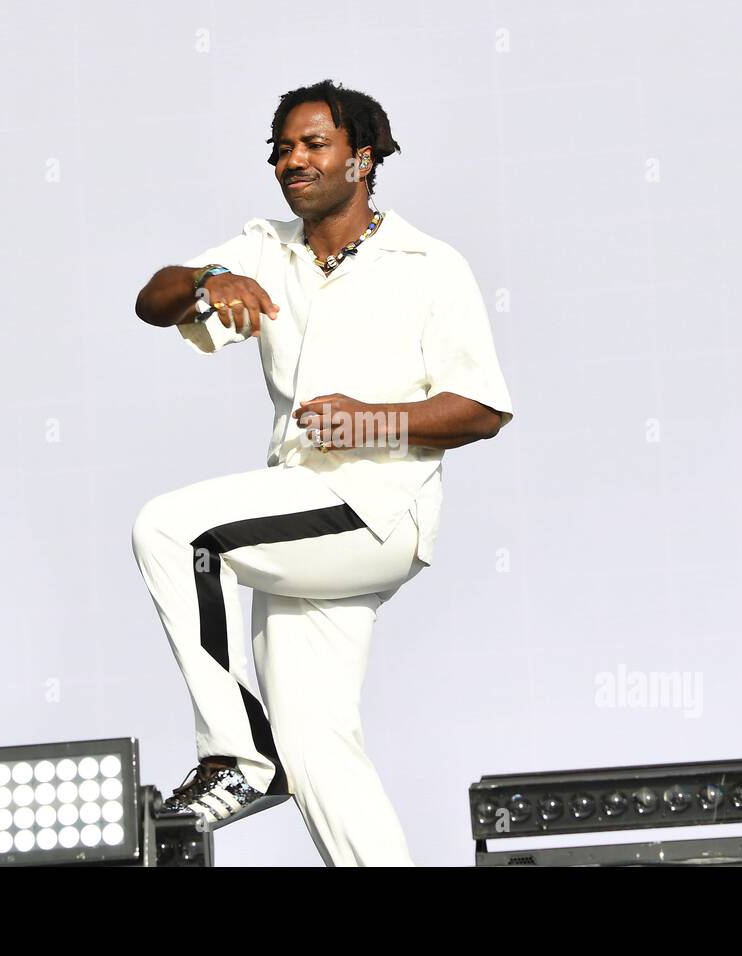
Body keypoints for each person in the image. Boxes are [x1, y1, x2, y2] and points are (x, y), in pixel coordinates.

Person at [132, 78, 514, 866]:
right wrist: (207, 282)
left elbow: (481, 411)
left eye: (313, 145)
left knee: (171, 527)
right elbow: (152, 298)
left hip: (374, 505)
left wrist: (370, 419)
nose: (291, 160)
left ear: (362, 159)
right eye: (281, 148)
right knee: (316, 752)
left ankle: (235, 756)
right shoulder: (263, 249)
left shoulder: (428, 264)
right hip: (300, 513)